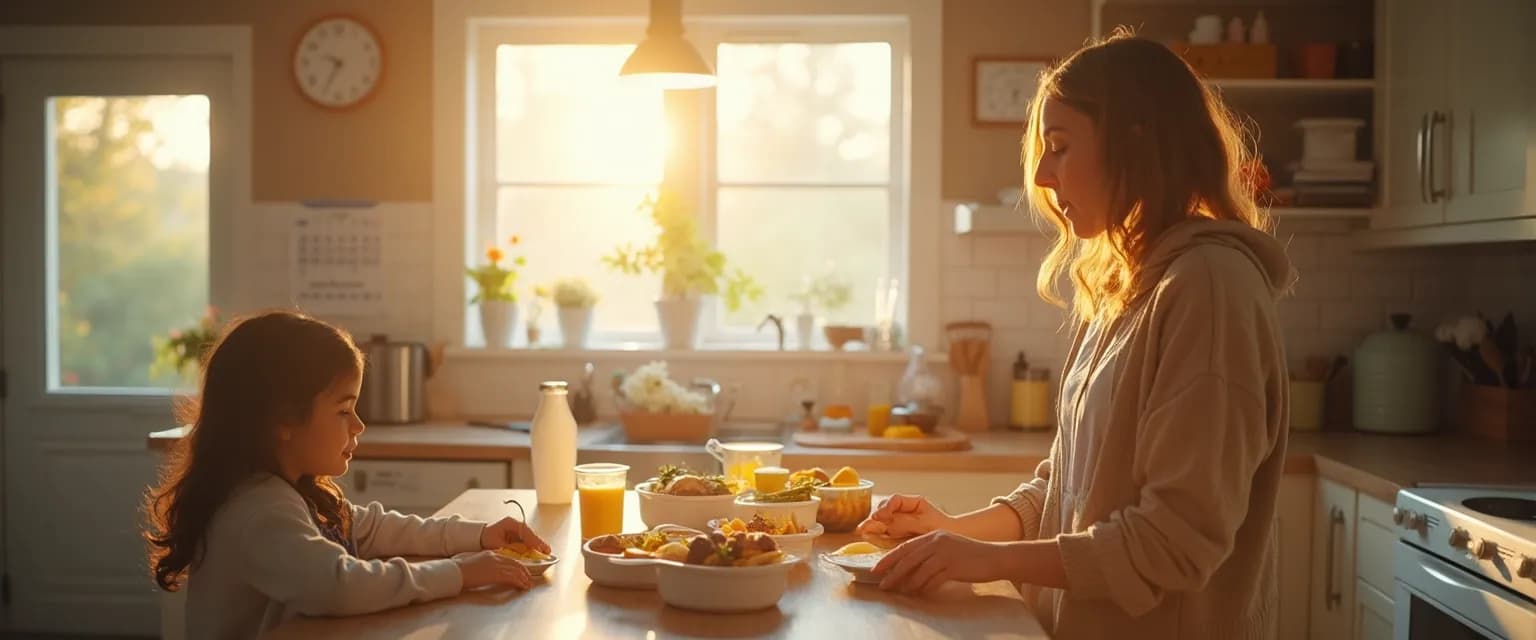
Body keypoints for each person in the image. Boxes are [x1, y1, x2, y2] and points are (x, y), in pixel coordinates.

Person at [859, 31, 1295, 639]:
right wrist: (956, 532)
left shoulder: (1210, 289)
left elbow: (1173, 542)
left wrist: (986, 561)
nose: (1041, 173)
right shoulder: (1130, 286)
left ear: (1137, 141)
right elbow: (1064, 489)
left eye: (1060, 147)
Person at [144, 310, 549, 639]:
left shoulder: (286, 492)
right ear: (283, 419)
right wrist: (461, 572)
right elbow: (338, 585)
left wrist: (479, 535)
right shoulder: (258, 512)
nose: (358, 425)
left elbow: (371, 528)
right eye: (343, 410)